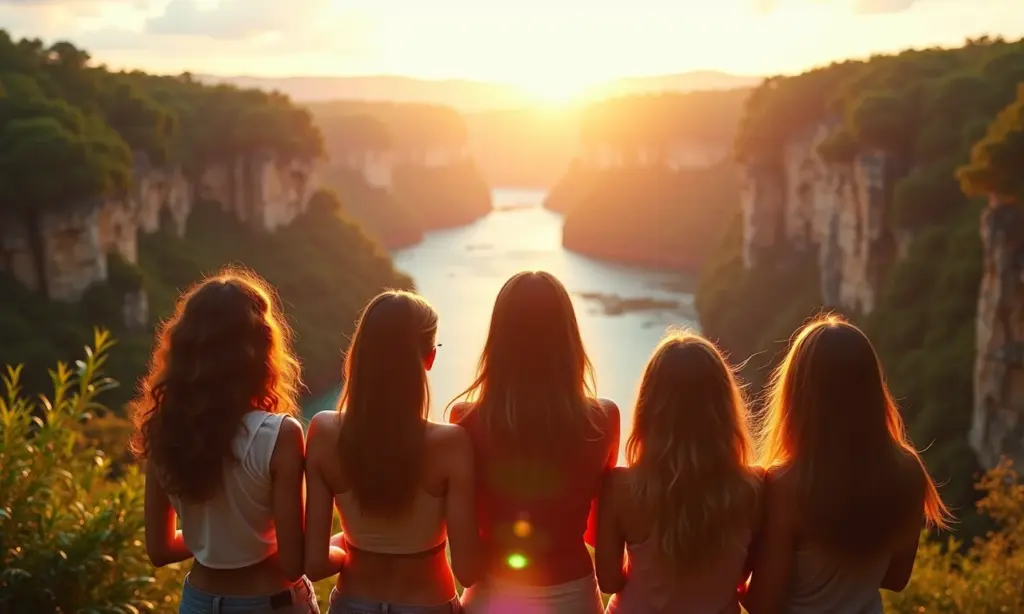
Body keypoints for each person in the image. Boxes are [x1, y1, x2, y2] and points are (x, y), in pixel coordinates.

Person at [131, 269, 317, 613]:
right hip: (270, 603)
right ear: (262, 348)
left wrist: (214, 539)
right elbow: (293, 564)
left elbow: (160, 550)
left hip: (199, 603)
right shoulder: (278, 434)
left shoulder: (164, 429)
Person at [742, 314, 951, 614]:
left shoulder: (786, 484)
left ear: (797, 394)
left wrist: (731, 581)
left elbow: (763, 605)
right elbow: (896, 579)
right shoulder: (907, 470)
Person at [450, 271, 620, 614]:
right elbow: (596, 533)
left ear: (498, 340)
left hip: (491, 599)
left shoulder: (466, 420)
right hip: (573, 600)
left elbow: (464, 555)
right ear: (568, 339)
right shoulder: (602, 419)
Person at [304, 291, 478, 614]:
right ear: (429, 358)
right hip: (428, 604)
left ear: (360, 353)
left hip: (353, 603)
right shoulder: (451, 443)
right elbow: (467, 571)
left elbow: (314, 565)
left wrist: (349, 547)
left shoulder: (324, 431)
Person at [596, 332, 762, 613]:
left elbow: (609, 581)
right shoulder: (752, 488)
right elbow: (742, 576)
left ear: (649, 407)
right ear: (724, 408)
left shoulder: (621, 487)